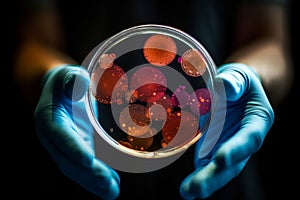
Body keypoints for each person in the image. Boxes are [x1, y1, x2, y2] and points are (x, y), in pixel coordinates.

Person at [11, 0, 293, 199]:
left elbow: (267, 41)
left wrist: (249, 76)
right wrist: (52, 77)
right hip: (79, 151)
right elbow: (35, 41)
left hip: (217, 151)